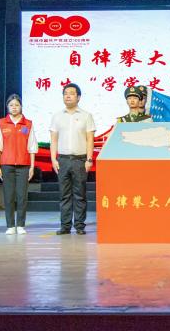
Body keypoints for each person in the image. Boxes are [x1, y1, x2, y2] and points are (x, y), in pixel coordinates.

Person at [50, 83, 95, 235]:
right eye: (65, 93)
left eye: (71, 93)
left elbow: (90, 139)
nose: (68, 96)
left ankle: (80, 226)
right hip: (62, 160)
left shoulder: (86, 116)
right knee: (64, 195)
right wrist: (53, 159)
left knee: (80, 194)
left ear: (78, 97)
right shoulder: (57, 116)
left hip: (80, 160)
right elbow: (54, 140)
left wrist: (89, 159)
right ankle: (65, 226)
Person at [0, 94, 38, 234]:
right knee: (8, 195)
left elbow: (32, 147)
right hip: (6, 164)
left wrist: (32, 167)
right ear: (7, 107)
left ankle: (20, 225)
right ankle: (10, 226)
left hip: (23, 165)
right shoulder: (1, 123)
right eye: (11, 105)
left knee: (22, 196)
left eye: (17, 105)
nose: (14, 107)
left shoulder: (28, 124)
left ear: (21, 107)